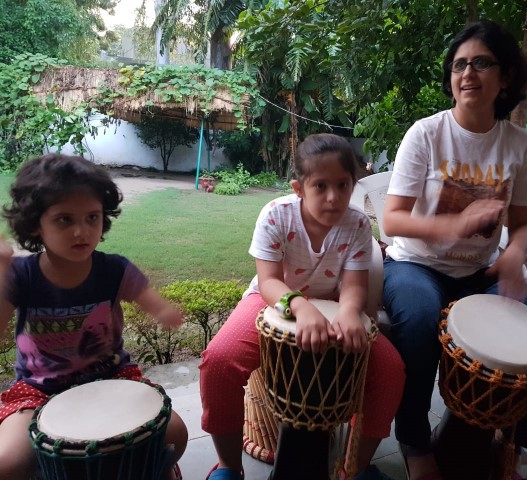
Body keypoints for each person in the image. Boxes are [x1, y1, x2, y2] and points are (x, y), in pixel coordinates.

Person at [381, 20, 527, 480]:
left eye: (481, 63)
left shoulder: (519, 145)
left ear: (505, 76)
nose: (467, 73)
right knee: (418, 317)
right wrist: (452, 224)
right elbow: (391, 220)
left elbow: (525, 224)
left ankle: (512, 442)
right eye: (459, 65)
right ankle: (414, 442)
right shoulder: (426, 134)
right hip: (416, 265)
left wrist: (514, 255)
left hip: (480, 275)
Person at [199, 133, 405, 480]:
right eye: (321, 186)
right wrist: (300, 306)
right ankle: (228, 467)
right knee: (218, 362)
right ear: (298, 188)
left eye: (343, 185)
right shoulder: (276, 216)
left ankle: (358, 466)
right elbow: (268, 282)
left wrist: (351, 311)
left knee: (390, 371)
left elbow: (354, 284)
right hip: (272, 301)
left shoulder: (356, 224)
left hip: (334, 304)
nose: (333, 197)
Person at [0, 154, 188, 480]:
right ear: (35, 224)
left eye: (92, 217)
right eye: (64, 220)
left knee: (173, 433)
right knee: (9, 462)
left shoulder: (114, 270)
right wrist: (1, 275)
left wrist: (165, 311)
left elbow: (156, 304)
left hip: (113, 377)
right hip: (38, 389)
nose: (81, 231)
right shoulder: (22, 275)